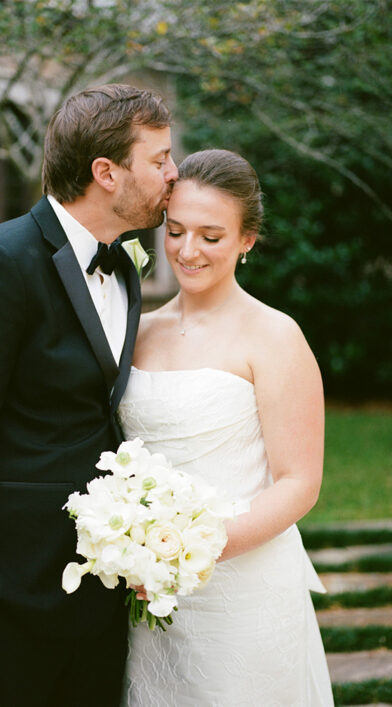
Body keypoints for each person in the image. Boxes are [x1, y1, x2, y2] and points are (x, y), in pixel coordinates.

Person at [0, 84, 178, 705]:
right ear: (106, 173)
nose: (173, 174)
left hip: (97, 588)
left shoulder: (125, 268)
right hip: (4, 595)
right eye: (159, 159)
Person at [121, 148, 333, 705]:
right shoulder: (135, 330)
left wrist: (189, 553)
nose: (187, 251)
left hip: (243, 593)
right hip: (147, 597)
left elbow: (298, 482)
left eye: (211, 237)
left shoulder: (275, 336)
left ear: (247, 239)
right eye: (176, 230)